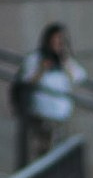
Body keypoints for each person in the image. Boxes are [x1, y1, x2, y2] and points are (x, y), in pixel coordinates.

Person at [15, 23, 86, 158]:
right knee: (44, 149)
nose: (57, 45)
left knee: (62, 151)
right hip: (42, 113)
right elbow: (27, 80)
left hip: (61, 113)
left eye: (60, 41)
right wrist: (42, 68)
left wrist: (64, 62)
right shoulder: (36, 58)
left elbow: (79, 77)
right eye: (54, 41)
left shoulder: (65, 61)